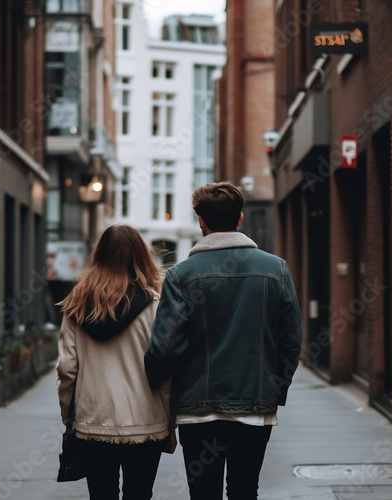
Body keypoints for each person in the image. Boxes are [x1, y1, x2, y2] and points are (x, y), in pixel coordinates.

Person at [144, 182, 302, 500]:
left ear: (201, 221)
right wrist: (272, 391)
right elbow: (291, 342)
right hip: (255, 407)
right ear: (240, 218)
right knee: (245, 490)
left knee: (204, 493)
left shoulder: (181, 276)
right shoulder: (276, 269)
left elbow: (165, 348)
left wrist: (155, 387)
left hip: (198, 410)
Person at [56, 224, 174, 500]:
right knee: (139, 494)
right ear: (141, 257)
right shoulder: (157, 306)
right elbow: (166, 367)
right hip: (147, 421)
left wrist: (69, 416)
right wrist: (172, 420)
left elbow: (66, 369)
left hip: (93, 421)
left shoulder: (76, 305)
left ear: (101, 257)